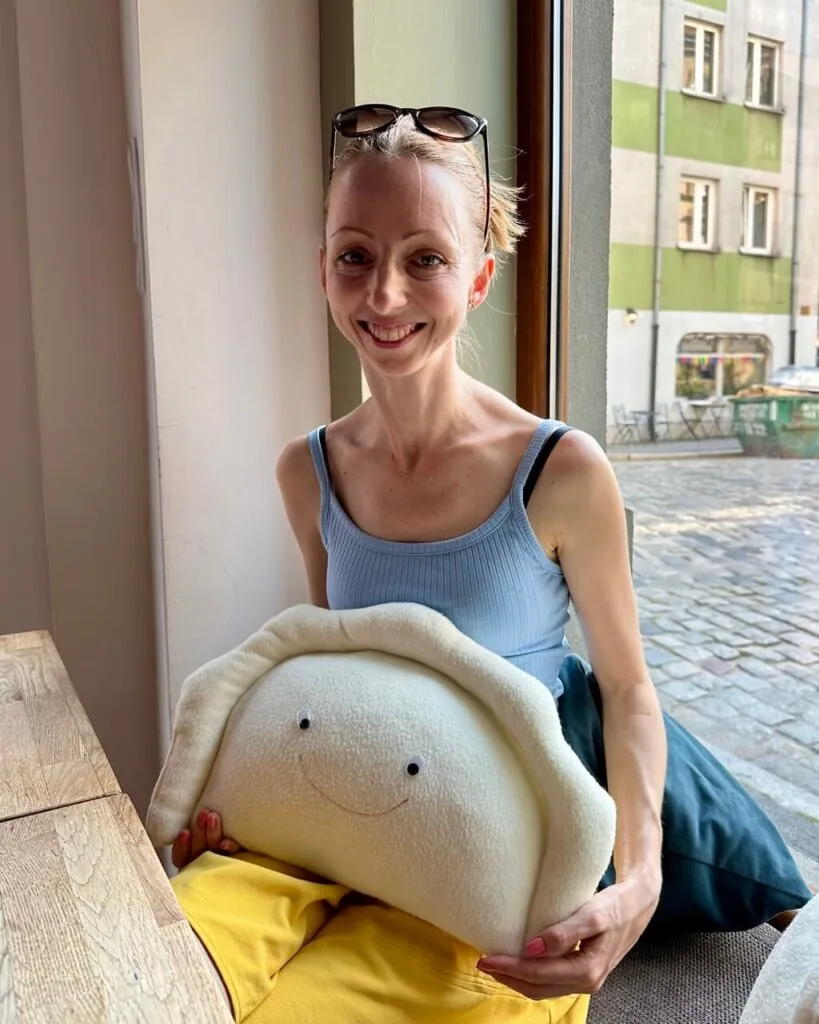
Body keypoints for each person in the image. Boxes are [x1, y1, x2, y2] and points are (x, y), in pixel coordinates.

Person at [168, 105, 810, 1023]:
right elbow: (334, 667)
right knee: (154, 964)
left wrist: (635, 877)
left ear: (476, 279)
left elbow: (627, 691)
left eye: (424, 258)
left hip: (484, 866)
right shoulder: (305, 472)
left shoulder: (558, 470)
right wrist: (252, 798)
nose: (383, 295)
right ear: (323, 269)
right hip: (326, 840)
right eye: (355, 255)